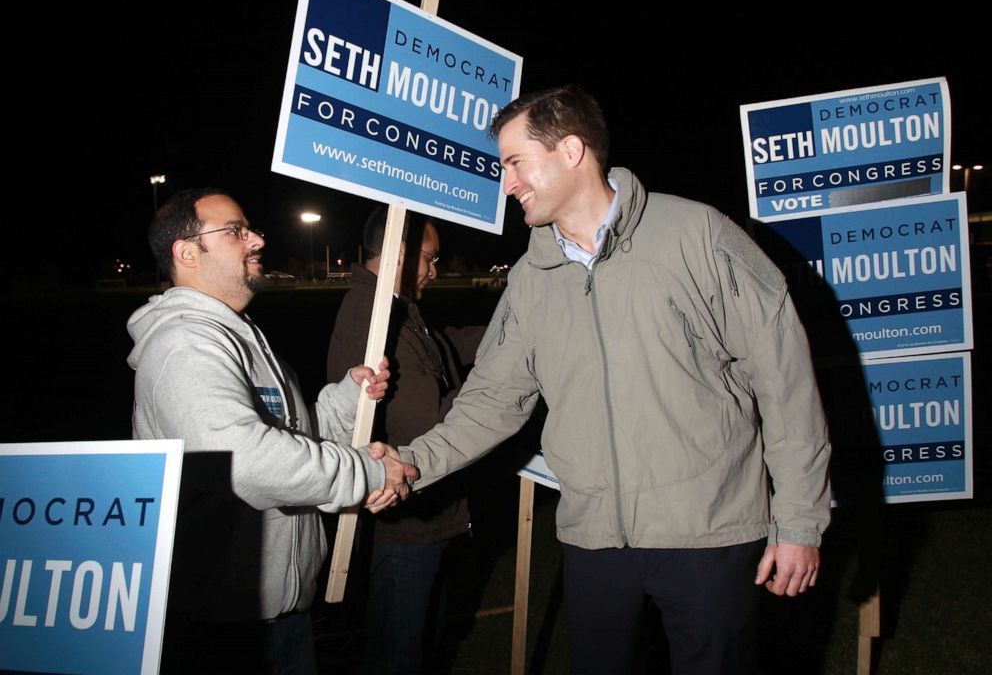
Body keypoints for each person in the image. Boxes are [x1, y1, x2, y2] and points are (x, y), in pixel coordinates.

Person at [387, 86, 831, 675]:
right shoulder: (530, 279)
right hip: (595, 543)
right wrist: (409, 464)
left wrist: (798, 521)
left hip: (710, 534)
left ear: (572, 150)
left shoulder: (698, 235)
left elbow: (785, 383)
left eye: (515, 162)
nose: (507, 182)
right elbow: (490, 401)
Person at [128, 188, 417, 674]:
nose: (258, 239)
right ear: (186, 253)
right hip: (226, 629)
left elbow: (291, 436)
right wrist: (367, 472)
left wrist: (346, 398)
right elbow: (249, 460)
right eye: (236, 231)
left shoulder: (237, 334)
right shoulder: (184, 344)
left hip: (278, 614)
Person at [328, 209, 481, 674]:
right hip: (405, 525)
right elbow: (426, 425)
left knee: (421, 647)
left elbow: (445, 346)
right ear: (399, 253)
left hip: (423, 519)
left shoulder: (393, 308)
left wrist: (506, 338)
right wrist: (494, 390)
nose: (435, 270)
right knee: (399, 655)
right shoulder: (369, 318)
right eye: (429, 259)